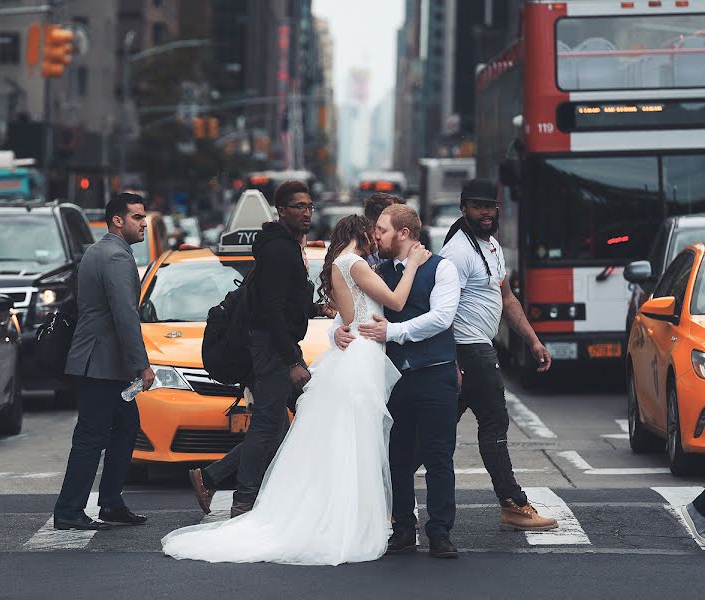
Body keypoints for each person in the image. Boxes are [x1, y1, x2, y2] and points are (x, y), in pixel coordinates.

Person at [162, 215, 428, 565]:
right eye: (374, 232)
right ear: (360, 233)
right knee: (357, 440)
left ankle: (344, 513)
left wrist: (336, 329)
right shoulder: (355, 263)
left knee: (347, 440)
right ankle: (349, 519)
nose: (377, 238)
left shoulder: (339, 264)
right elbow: (394, 302)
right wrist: (413, 265)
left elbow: (345, 314)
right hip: (362, 356)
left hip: (354, 352)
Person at [188, 181, 328, 519]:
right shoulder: (280, 250)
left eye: (309, 206)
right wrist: (292, 359)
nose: (306, 212)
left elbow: (285, 303)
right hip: (272, 347)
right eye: (298, 206)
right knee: (267, 426)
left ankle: (209, 477)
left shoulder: (286, 246)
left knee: (276, 426)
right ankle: (243, 502)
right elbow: (270, 312)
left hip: (271, 343)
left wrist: (317, 309)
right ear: (281, 210)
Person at [335, 204, 462, 558]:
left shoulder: (443, 268)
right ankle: (403, 528)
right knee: (396, 457)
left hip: (436, 373)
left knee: (439, 457)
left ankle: (440, 532)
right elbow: (355, 309)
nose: (376, 236)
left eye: (382, 229)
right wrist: (337, 333)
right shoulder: (377, 269)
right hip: (390, 378)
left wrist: (395, 332)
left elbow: (441, 317)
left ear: (403, 234)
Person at [438, 178, 557, 532]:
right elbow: (443, 310)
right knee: (493, 427)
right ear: (464, 209)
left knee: (436, 432)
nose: (485, 213)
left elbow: (507, 299)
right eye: (477, 207)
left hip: (479, 350)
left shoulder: (490, 246)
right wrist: (454, 361)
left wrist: (533, 341)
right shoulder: (456, 253)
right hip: (468, 351)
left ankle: (392, 500)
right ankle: (514, 504)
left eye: (490, 207)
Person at [53, 193, 154, 531]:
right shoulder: (116, 257)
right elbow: (125, 315)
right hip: (102, 364)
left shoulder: (97, 251)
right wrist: (142, 364)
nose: (144, 223)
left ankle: (111, 503)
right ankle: (69, 510)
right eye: (137, 217)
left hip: (99, 362)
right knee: (91, 437)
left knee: (125, 429)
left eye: (144, 217)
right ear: (117, 220)